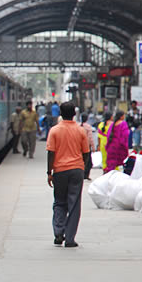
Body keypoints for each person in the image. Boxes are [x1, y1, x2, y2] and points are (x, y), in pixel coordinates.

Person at [47, 102, 90, 248]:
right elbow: (86, 153)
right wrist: (81, 167)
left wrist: (49, 172)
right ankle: (70, 239)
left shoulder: (54, 131)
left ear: (60, 113)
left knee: (59, 202)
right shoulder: (80, 131)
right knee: (74, 204)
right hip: (76, 170)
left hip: (59, 171)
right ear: (74, 114)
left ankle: (59, 232)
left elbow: (51, 153)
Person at [80, 113, 96, 180]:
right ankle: (86, 175)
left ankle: (81, 174)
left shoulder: (79, 126)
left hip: (80, 146)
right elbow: (90, 138)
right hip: (86, 146)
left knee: (81, 160)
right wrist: (93, 147)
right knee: (88, 161)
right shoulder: (88, 127)